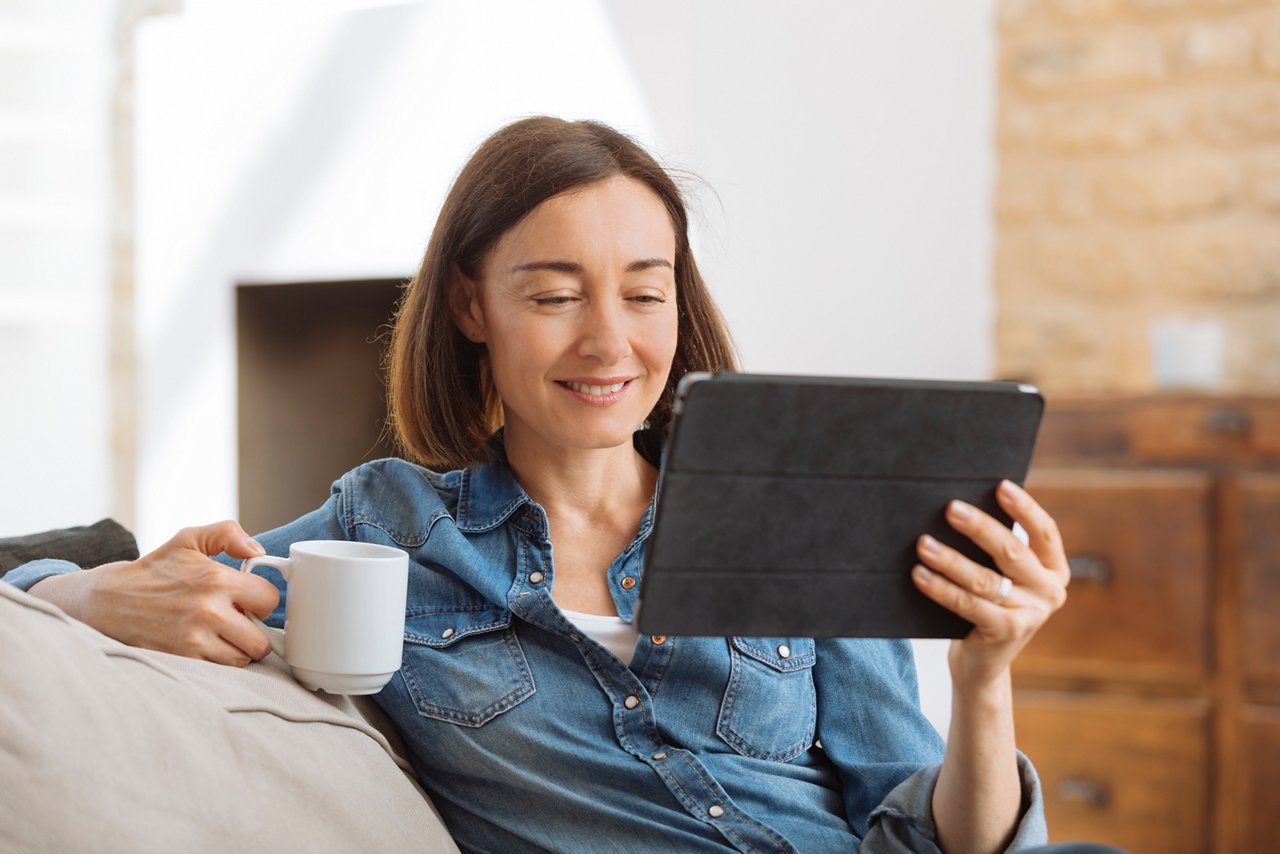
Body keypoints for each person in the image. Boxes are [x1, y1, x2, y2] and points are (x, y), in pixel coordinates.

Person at [8, 117, 1076, 853]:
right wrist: (81, 590)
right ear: (471, 306)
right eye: (556, 294)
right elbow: (165, 581)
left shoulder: (791, 508)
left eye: (643, 294)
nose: (608, 342)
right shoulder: (391, 529)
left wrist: (985, 677)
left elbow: (924, 830)